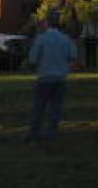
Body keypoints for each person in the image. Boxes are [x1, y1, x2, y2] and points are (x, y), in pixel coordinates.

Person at [27, 10, 78, 142]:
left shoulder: (41, 39)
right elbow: (73, 56)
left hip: (44, 78)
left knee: (38, 108)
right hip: (60, 79)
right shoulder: (65, 39)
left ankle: (34, 134)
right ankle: (52, 134)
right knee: (55, 109)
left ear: (47, 22)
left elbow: (32, 59)